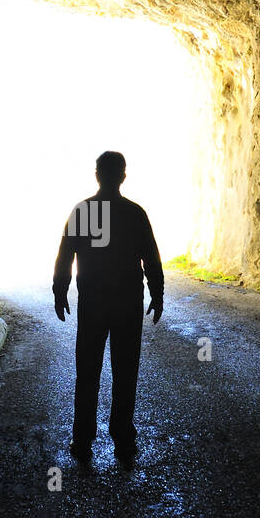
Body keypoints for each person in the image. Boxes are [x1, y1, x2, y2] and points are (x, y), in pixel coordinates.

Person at [53, 151, 163, 462]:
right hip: (127, 303)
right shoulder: (134, 213)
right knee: (125, 372)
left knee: (87, 372)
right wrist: (157, 292)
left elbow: (65, 255)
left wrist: (60, 291)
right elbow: (151, 258)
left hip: (93, 303)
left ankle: (83, 440)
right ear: (123, 176)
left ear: (97, 174)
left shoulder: (83, 211)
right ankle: (124, 440)